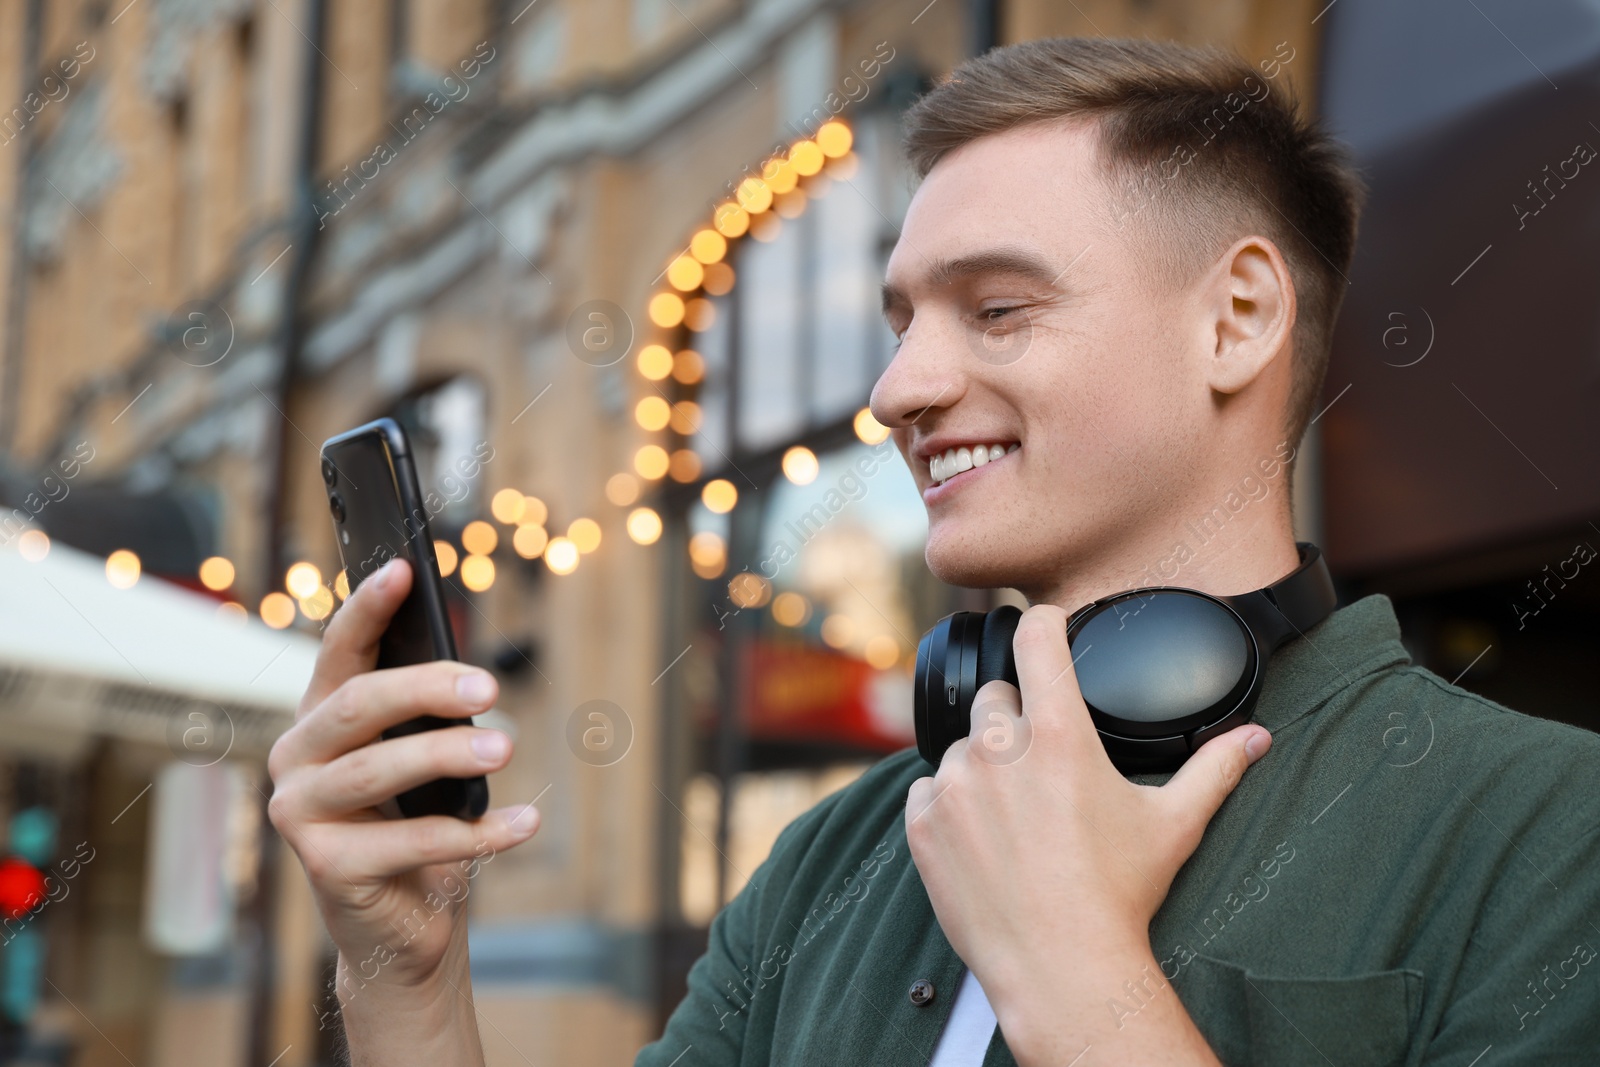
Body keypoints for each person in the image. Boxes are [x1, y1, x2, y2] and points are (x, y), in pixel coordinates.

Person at [268, 37, 1600, 1066]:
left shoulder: (1549, 833)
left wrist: (1081, 980)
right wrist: (406, 976)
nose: (900, 388)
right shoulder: (838, 854)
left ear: (1239, 318)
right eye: (901, 321)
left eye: (999, 309)